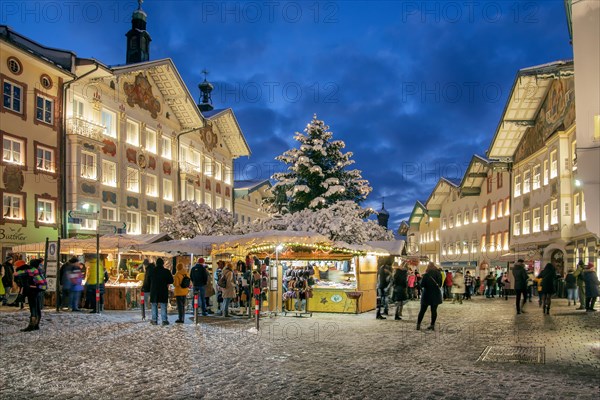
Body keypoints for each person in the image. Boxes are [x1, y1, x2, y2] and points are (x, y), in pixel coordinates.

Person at [13, 259, 47, 332]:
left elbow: (17, 275)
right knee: (37, 308)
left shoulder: (31, 270)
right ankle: (36, 325)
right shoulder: (40, 270)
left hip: (32, 291)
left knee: (33, 308)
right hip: (38, 291)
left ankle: (32, 325)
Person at [416, 262, 443, 331]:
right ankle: (432, 325)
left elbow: (422, 285)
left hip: (427, 294)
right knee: (434, 311)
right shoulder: (438, 274)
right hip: (436, 294)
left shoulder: (426, 275)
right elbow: (440, 284)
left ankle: (418, 325)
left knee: (422, 310)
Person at [148, 258, 174, 325]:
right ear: (163, 264)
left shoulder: (152, 271)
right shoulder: (166, 271)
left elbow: (148, 280)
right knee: (163, 305)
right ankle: (164, 320)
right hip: (163, 290)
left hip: (154, 290)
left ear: (156, 263)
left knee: (154, 305)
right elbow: (171, 280)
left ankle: (154, 320)